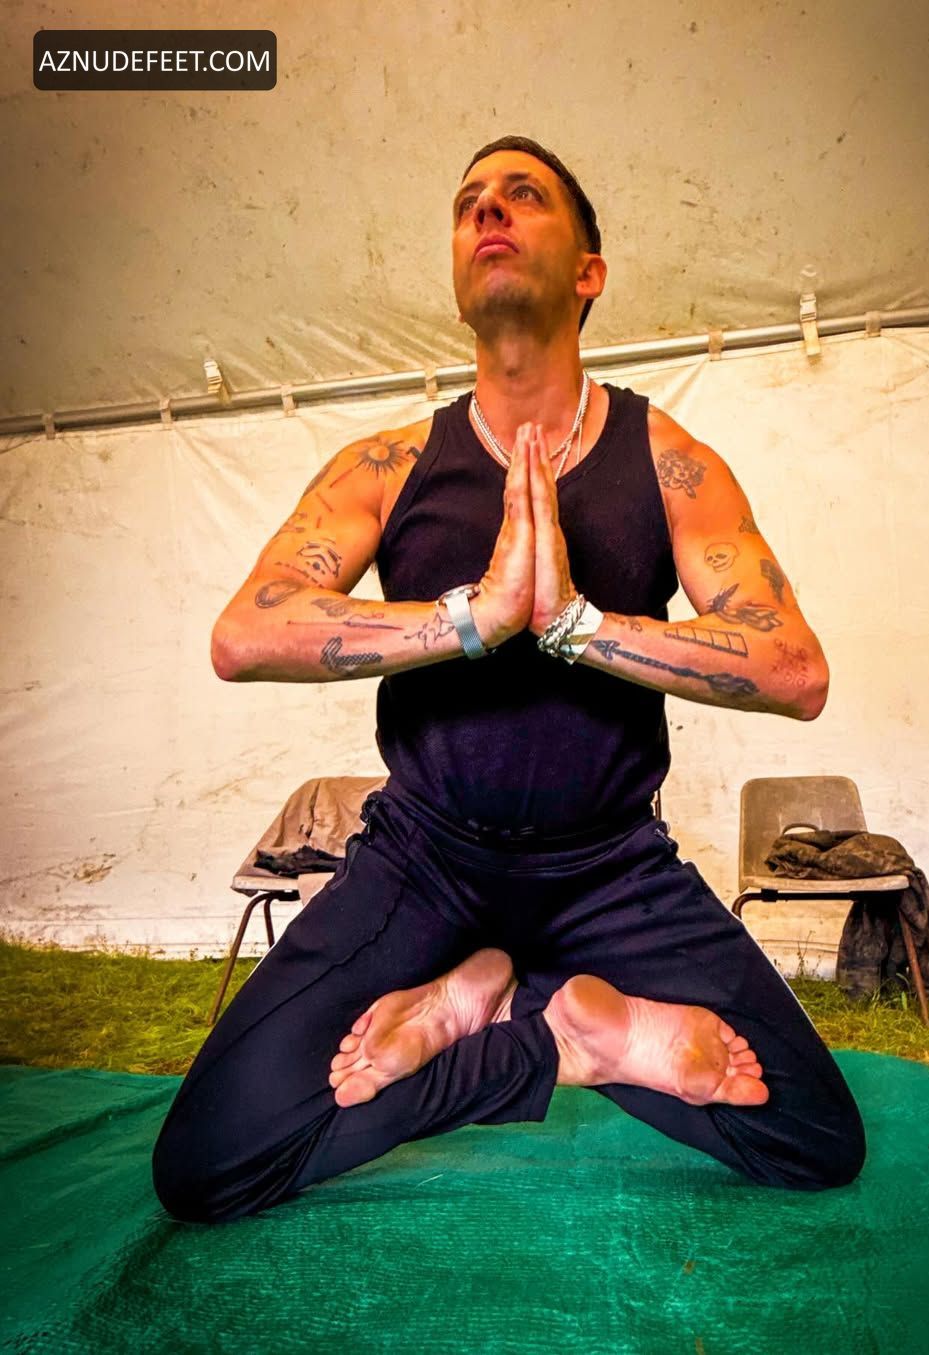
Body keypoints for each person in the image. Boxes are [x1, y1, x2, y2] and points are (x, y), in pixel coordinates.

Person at [152, 135, 866, 1223]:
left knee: (813, 1134)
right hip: (425, 859)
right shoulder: (390, 464)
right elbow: (244, 632)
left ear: (588, 270)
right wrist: (473, 618)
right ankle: (535, 1029)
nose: (488, 211)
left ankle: (511, 1012)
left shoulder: (669, 459)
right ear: (456, 275)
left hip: (610, 866)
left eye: (522, 195)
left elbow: (795, 667)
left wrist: (578, 626)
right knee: (205, 1161)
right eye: (468, 203)